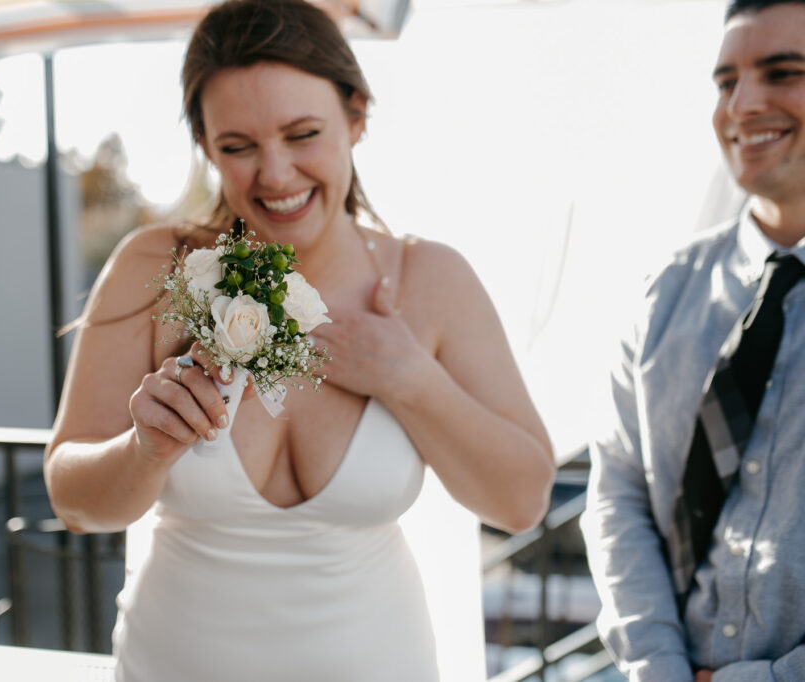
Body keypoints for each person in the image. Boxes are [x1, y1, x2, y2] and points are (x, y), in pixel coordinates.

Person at [44, 1, 555, 679]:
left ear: (357, 116)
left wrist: (409, 379)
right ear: (205, 146)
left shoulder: (433, 281)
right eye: (238, 147)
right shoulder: (151, 269)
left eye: (303, 133)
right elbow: (72, 500)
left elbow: (522, 501)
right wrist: (146, 449)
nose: (276, 174)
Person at [581, 1, 805, 680]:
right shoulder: (666, 295)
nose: (742, 105)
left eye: (782, 73)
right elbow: (617, 493)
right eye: (725, 81)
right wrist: (661, 670)